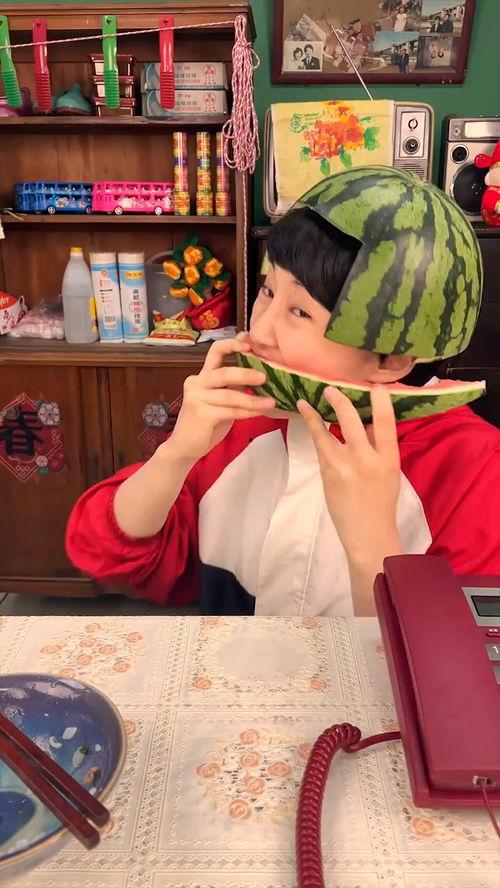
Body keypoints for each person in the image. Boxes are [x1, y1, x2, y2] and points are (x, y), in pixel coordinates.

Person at [66, 167, 500, 617]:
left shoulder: (476, 470)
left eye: (300, 311)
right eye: (268, 291)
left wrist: (372, 545)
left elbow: (454, 656)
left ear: (391, 358)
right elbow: (108, 555)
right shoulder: (243, 421)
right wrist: (176, 455)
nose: (260, 331)